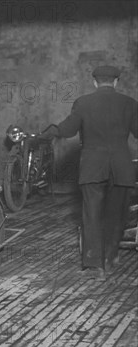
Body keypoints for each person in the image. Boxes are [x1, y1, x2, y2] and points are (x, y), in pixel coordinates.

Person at [55, 65, 138, 279]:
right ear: (116, 82)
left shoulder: (83, 103)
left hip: (92, 167)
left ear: (95, 82)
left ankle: (93, 264)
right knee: (116, 215)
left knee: (92, 215)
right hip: (121, 168)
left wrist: (47, 133)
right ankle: (111, 258)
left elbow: (67, 129)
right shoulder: (129, 103)